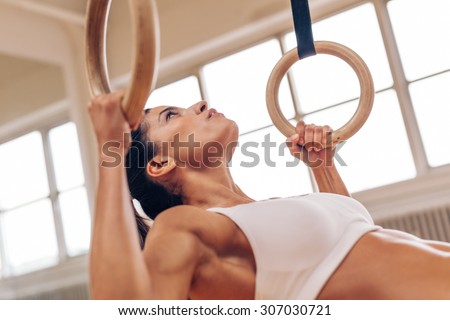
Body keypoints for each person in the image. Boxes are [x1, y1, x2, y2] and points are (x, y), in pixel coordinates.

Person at [88, 90, 450, 300]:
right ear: (160, 163)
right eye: (171, 116)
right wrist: (111, 150)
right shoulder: (184, 226)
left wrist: (322, 166)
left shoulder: (263, 213)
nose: (199, 104)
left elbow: (351, 247)